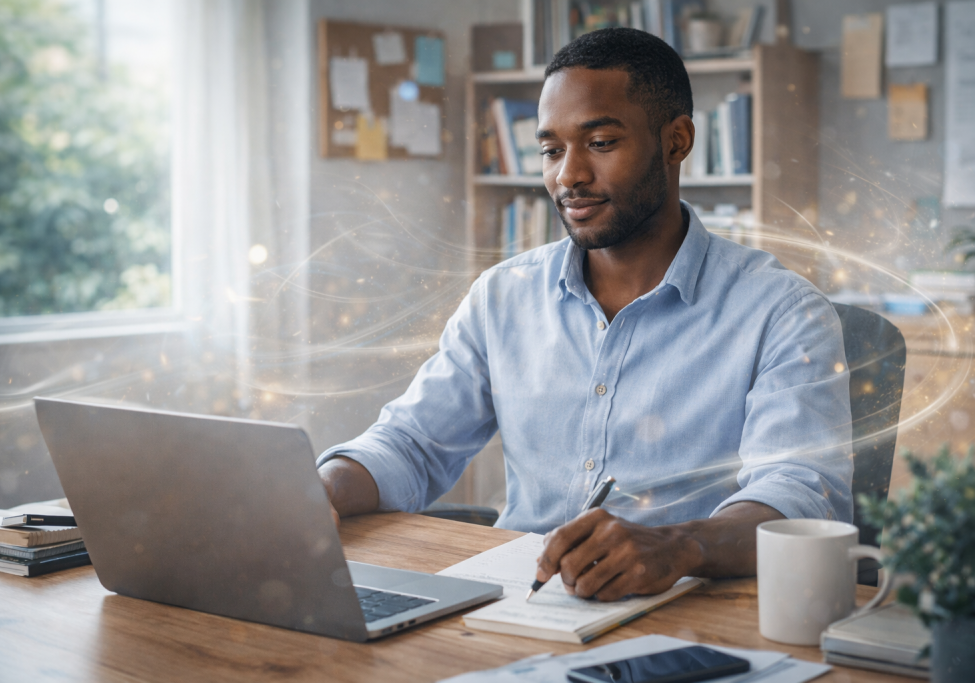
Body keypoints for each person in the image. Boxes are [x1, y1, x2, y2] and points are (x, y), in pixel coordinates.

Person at [317, 28, 852, 602]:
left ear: (676, 142)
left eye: (599, 143)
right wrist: (317, 491)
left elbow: (799, 494)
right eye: (551, 150)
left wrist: (677, 545)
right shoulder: (503, 297)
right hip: (518, 602)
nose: (568, 175)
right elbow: (413, 444)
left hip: (688, 611)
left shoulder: (782, 312)